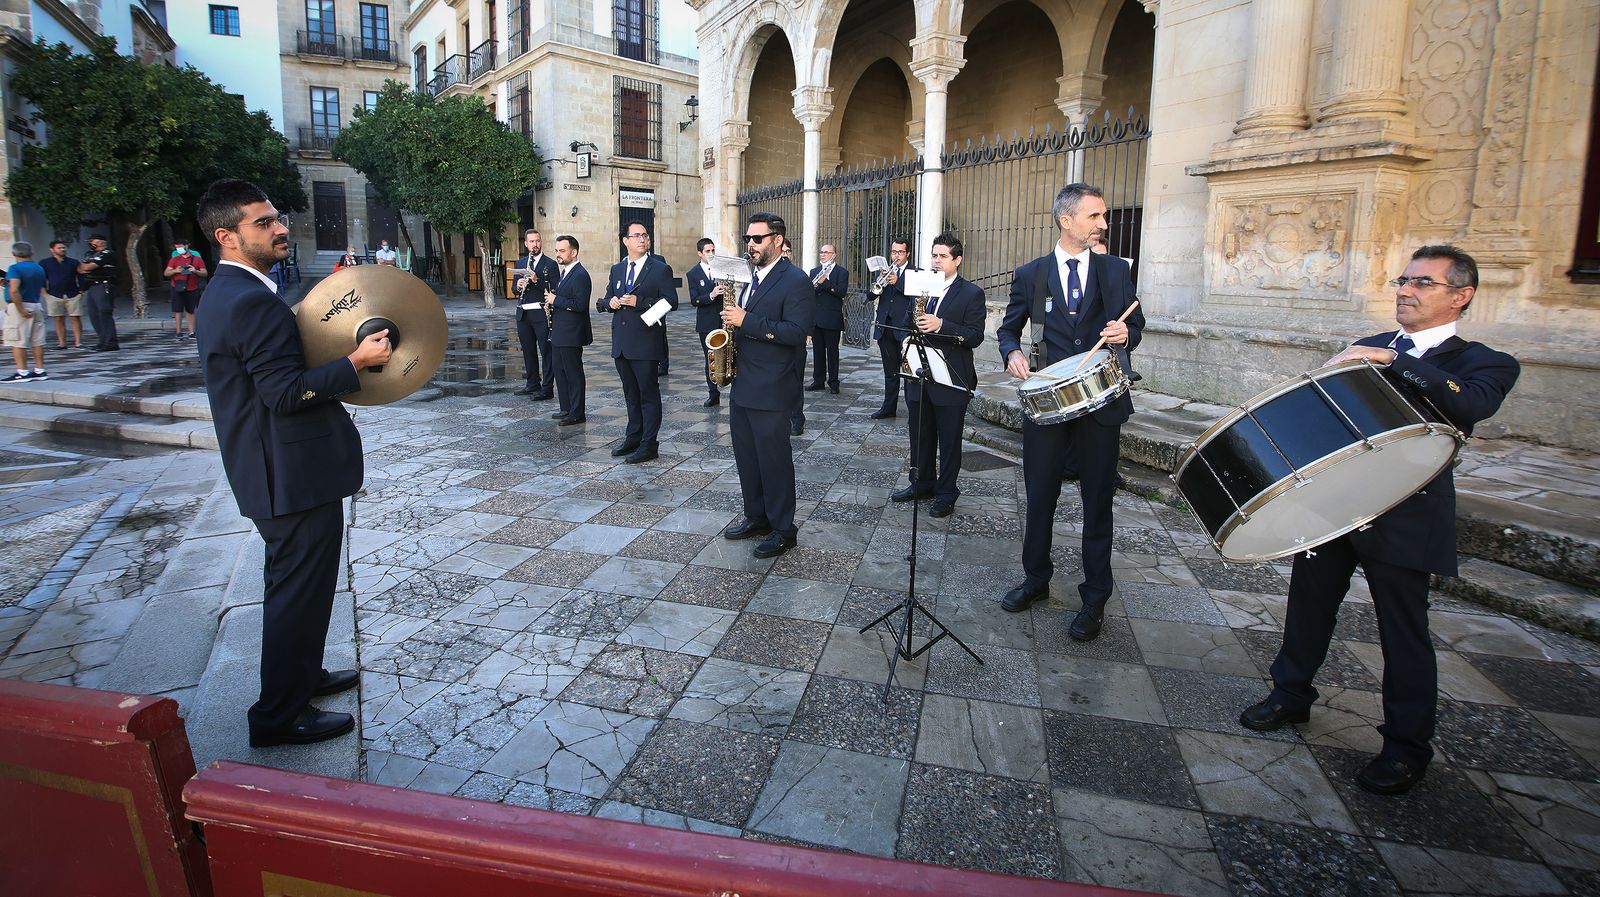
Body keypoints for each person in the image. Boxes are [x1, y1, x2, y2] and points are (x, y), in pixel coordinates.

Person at [1240, 245, 1520, 795]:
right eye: (1402, 279)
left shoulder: (1482, 362)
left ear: (1460, 296)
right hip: (1338, 504)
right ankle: (1290, 695)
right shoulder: (1371, 346)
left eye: (1422, 283)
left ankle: (1405, 747)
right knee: (1309, 604)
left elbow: (1470, 406)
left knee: (1403, 630)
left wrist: (1394, 361)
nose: (1405, 290)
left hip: (1407, 512)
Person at [194, 179, 391, 748]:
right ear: (227, 236)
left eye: (276, 218)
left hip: (280, 472)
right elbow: (283, 393)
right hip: (288, 478)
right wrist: (356, 360)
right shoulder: (248, 300)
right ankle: (279, 715)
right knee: (294, 594)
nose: (279, 227)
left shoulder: (231, 293)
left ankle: (303, 676)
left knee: (304, 589)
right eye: (263, 222)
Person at [996, 183, 1144, 641]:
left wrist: (1125, 334)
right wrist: (1012, 353)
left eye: (1103, 216)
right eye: (1095, 216)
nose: (1104, 223)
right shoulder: (1030, 273)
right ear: (1067, 220)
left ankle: (1095, 597)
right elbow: (1008, 328)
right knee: (1039, 498)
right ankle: (1035, 580)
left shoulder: (1116, 270)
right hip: (1048, 405)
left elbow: (1135, 325)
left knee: (1097, 503)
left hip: (1102, 406)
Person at [721, 212, 813, 559]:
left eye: (757, 238)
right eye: (748, 239)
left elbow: (795, 332)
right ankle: (756, 516)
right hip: (743, 379)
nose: (751, 244)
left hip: (773, 385)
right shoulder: (748, 277)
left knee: (774, 460)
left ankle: (783, 528)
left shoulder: (796, 280)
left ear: (777, 239)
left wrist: (747, 319)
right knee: (747, 457)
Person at [891, 234, 984, 518]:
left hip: (951, 378)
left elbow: (975, 336)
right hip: (919, 374)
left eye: (942, 256)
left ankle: (946, 493)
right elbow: (907, 321)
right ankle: (920, 484)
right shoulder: (924, 287)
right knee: (919, 436)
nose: (936, 261)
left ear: (957, 260)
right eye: (934, 255)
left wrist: (941, 324)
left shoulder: (971, 293)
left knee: (949, 439)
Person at [597, 222, 677, 463]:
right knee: (630, 394)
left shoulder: (660, 269)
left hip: (645, 344)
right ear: (625, 241)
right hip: (621, 343)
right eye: (637, 236)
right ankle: (633, 436)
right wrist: (609, 302)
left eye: (645, 235)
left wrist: (639, 301)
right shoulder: (617, 269)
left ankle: (649, 444)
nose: (642, 239)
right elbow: (607, 297)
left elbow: (670, 301)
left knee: (648, 395)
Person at [544, 234, 592, 425]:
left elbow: (580, 305)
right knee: (559, 370)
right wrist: (551, 304)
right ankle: (566, 407)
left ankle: (577, 412)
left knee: (573, 373)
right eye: (556, 250)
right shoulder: (564, 273)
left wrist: (556, 301)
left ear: (574, 252)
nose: (558, 254)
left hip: (572, 333)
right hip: (559, 332)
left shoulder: (580, 274)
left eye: (562, 251)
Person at [864, 239, 914, 419]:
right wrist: (879, 284)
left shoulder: (915, 272)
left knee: (909, 373)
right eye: (893, 252)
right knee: (890, 371)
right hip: (885, 327)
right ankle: (888, 407)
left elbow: (917, 295)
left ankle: (913, 409)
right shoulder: (885, 272)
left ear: (907, 254)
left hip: (904, 329)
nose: (896, 256)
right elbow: (870, 296)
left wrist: (898, 282)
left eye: (900, 252)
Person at [512, 229, 559, 399]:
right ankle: (532, 383)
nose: (535, 244)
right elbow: (513, 289)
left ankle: (547, 388)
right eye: (531, 242)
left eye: (538, 241)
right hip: (523, 314)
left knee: (546, 351)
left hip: (541, 314)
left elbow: (554, 289)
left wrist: (536, 280)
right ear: (526, 243)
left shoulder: (550, 264)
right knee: (528, 351)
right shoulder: (521, 263)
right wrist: (517, 286)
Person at [806, 244, 849, 394]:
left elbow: (841, 292)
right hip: (817, 319)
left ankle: (834, 382)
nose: (823, 255)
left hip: (832, 319)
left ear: (834, 255)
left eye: (826, 252)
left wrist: (826, 283)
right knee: (817, 353)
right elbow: (810, 292)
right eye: (822, 252)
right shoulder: (814, 271)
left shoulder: (841, 272)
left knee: (832, 353)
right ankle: (818, 381)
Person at [687, 237, 724, 407]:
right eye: (708, 251)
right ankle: (713, 393)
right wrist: (711, 295)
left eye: (713, 250)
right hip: (706, 323)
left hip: (723, 319)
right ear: (699, 253)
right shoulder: (693, 274)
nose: (711, 254)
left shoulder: (721, 269)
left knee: (729, 355)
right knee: (710, 359)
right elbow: (694, 300)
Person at [4, 242, 49, 382]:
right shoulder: (39, 268)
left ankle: (22, 372)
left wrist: (21, 310)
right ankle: (40, 370)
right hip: (35, 304)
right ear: (31, 253)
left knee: (18, 340)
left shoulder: (14, 268)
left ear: (15, 254)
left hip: (20, 306)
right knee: (37, 340)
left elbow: (14, 289)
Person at [39, 240, 84, 350]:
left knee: (75, 318)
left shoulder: (73, 262)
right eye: (59, 248)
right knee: (58, 319)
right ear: (52, 249)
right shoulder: (45, 263)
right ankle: (62, 343)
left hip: (72, 293)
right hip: (54, 294)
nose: (62, 249)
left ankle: (78, 343)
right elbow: (41, 278)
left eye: (63, 247)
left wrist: (81, 290)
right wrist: (44, 294)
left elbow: (81, 275)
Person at [78, 234, 118, 351]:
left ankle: (111, 342)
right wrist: (85, 268)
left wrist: (87, 268)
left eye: (92, 241)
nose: (90, 243)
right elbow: (81, 268)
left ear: (100, 242)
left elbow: (89, 267)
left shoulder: (107, 253)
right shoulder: (89, 254)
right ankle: (102, 340)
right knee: (94, 314)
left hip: (103, 285)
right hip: (91, 286)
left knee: (104, 312)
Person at [163, 239, 207, 340]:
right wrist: (175, 270)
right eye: (177, 247)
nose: (179, 249)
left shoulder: (196, 259)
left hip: (192, 287)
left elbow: (204, 273)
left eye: (181, 247)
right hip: (177, 287)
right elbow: (166, 273)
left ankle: (191, 331)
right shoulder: (174, 259)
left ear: (187, 246)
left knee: (190, 310)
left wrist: (195, 271)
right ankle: (178, 332)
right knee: (178, 310)